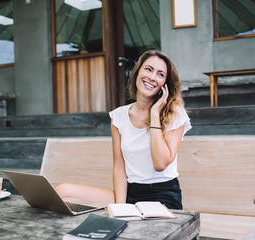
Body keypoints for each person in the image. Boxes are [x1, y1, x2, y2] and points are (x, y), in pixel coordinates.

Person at [56, 50, 191, 209]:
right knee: (63, 191)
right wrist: (120, 208)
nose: (152, 77)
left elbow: (160, 164)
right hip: (130, 193)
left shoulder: (174, 115)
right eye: (148, 69)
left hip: (163, 194)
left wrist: (155, 114)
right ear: (138, 72)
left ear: (165, 85)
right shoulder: (119, 116)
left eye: (160, 74)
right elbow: (119, 167)